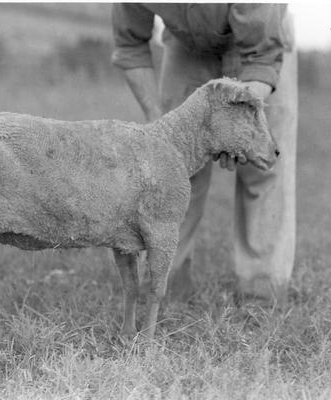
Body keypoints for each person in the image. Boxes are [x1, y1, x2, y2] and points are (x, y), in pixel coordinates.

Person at [111, 4, 297, 304]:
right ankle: (166, 287)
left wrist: (236, 131)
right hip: (186, 45)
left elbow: (262, 56)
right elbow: (130, 45)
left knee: (264, 165)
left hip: (260, 45)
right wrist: (163, 125)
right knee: (173, 162)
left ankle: (262, 290)